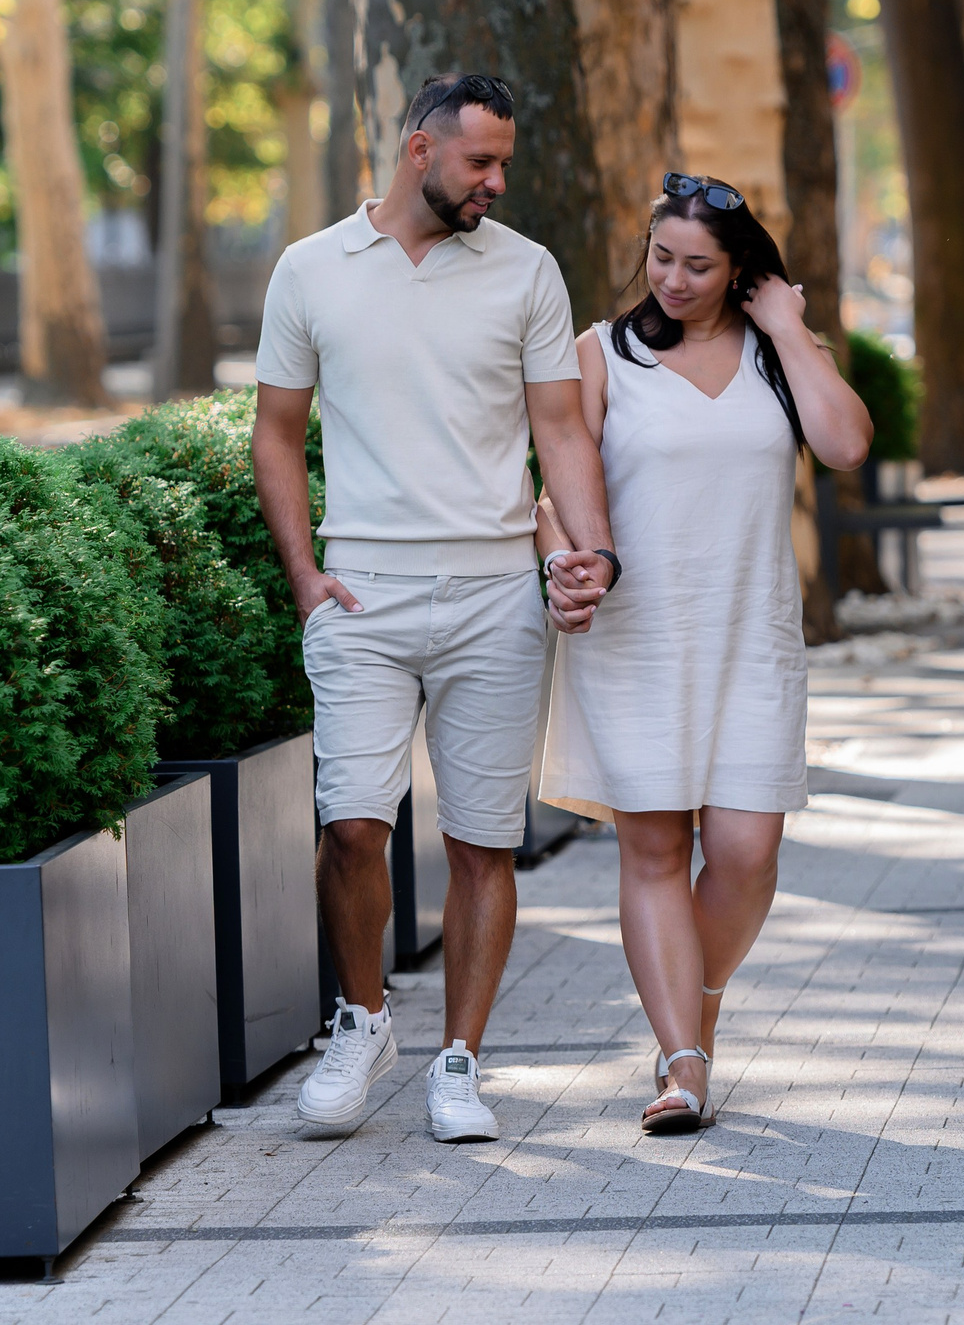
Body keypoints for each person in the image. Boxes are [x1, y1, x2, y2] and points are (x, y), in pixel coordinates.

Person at [252, 72, 616, 1143]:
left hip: (496, 593)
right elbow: (276, 430)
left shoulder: (527, 272)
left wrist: (588, 553)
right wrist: (304, 579)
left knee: (479, 842)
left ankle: (459, 1059)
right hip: (362, 589)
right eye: (479, 162)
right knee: (353, 827)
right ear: (419, 151)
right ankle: (361, 1019)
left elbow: (561, 428)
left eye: (504, 162)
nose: (497, 181)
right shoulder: (310, 268)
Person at [535, 173, 872, 1135]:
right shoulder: (601, 355)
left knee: (745, 853)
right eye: (662, 258)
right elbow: (559, 482)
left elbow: (846, 444)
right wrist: (562, 557)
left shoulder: (776, 357)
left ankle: (699, 998)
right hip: (638, 635)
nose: (674, 280)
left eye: (700, 265)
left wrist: (791, 327)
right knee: (653, 849)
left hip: (751, 637)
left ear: (741, 271)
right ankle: (683, 1062)